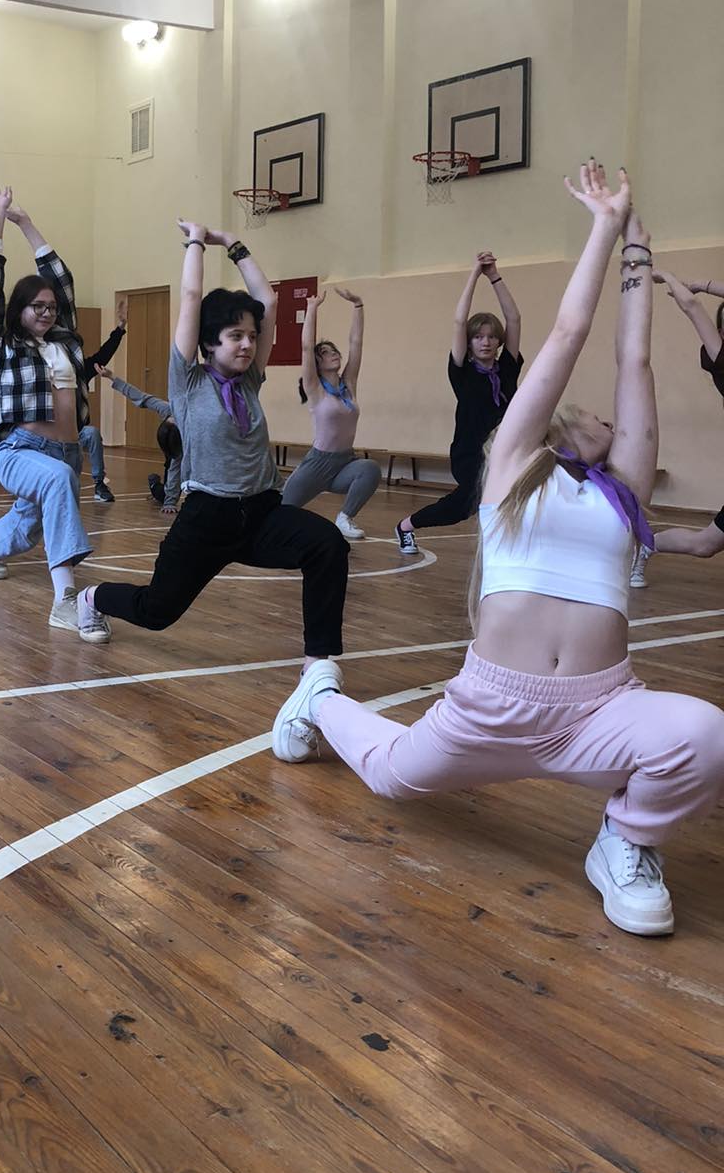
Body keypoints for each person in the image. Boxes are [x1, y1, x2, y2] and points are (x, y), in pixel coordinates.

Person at [272, 162, 724, 938]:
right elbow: (569, 335)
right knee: (391, 774)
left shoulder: (623, 491)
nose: (612, 424)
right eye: (597, 419)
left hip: (599, 709)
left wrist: (639, 257)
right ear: (559, 427)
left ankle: (625, 840)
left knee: (705, 737)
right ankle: (319, 698)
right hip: (491, 706)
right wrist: (602, 228)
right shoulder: (511, 469)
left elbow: (634, 360)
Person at [81, 222, 349, 663]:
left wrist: (232, 245)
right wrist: (196, 242)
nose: (247, 345)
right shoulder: (188, 382)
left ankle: (318, 665)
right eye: (235, 336)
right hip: (208, 518)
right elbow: (191, 297)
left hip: (261, 512)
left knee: (327, 544)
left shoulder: (251, 380)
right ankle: (93, 598)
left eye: (252, 337)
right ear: (209, 342)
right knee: (156, 611)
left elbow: (269, 302)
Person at [0, 186, 107, 640]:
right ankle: (66, 602)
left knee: (28, 527)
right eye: (38, 307)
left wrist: (26, 223)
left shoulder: (66, 342)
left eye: (51, 307)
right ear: (19, 310)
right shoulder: (0, 346)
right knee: (57, 481)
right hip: (19, 450)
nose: (47, 312)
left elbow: (61, 279)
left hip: (66, 451)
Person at [396, 252, 522, 554]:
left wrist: (495, 277)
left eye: (491, 337)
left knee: (508, 496)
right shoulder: (462, 372)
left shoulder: (507, 368)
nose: (485, 342)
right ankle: (406, 526)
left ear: (499, 341)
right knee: (465, 505)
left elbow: (514, 319)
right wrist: (475, 274)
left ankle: (505, 548)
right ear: (470, 342)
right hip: (470, 453)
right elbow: (458, 321)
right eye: (478, 337)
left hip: (505, 449)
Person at [630, 271, 724, 581]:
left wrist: (703, 283)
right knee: (705, 545)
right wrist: (670, 278)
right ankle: (645, 545)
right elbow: (692, 307)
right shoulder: (721, 360)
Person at [282, 288, 381, 540]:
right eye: (325, 353)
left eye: (333, 350)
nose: (333, 353)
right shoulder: (315, 388)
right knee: (280, 512)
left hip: (345, 463)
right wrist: (312, 307)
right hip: (317, 464)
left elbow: (356, 344)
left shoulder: (349, 385)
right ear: (317, 363)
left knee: (370, 469)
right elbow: (306, 348)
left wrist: (358, 305)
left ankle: (345, 518)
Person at [95, 363, 182, 514]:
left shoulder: (192, 421)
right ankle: (154, 482)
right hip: (175, 452)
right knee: (165, 495)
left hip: (186, 446)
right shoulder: (167, 409)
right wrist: (111, 376)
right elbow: (140, 397)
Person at [79, 298, 128, 503]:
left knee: (92, 433)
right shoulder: (46, 371)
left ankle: (99, 484)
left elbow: (104, 354)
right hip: (50, 433)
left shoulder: (81, 369)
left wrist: (121, 327)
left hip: (75, 431)